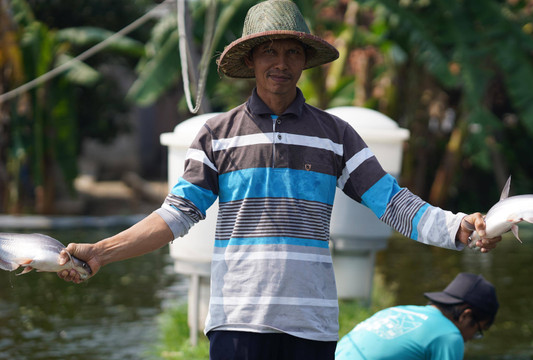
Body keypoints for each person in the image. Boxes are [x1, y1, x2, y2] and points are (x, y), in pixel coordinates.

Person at [58, 1, 502, 359]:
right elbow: (175, 216)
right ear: (251, 59)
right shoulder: (217, 134)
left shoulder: (336, 135)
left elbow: (392, 203)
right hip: (237, 322)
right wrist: (100, 252)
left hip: (311, 326)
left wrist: (458, 227)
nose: (281, 62)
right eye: (269, 50)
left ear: (305, 61)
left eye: (292, 51)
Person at [335, 273, 499, 360]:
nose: (470, 339)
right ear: (466, 316)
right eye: (478, 331)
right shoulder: (449, 336)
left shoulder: (398, 310)